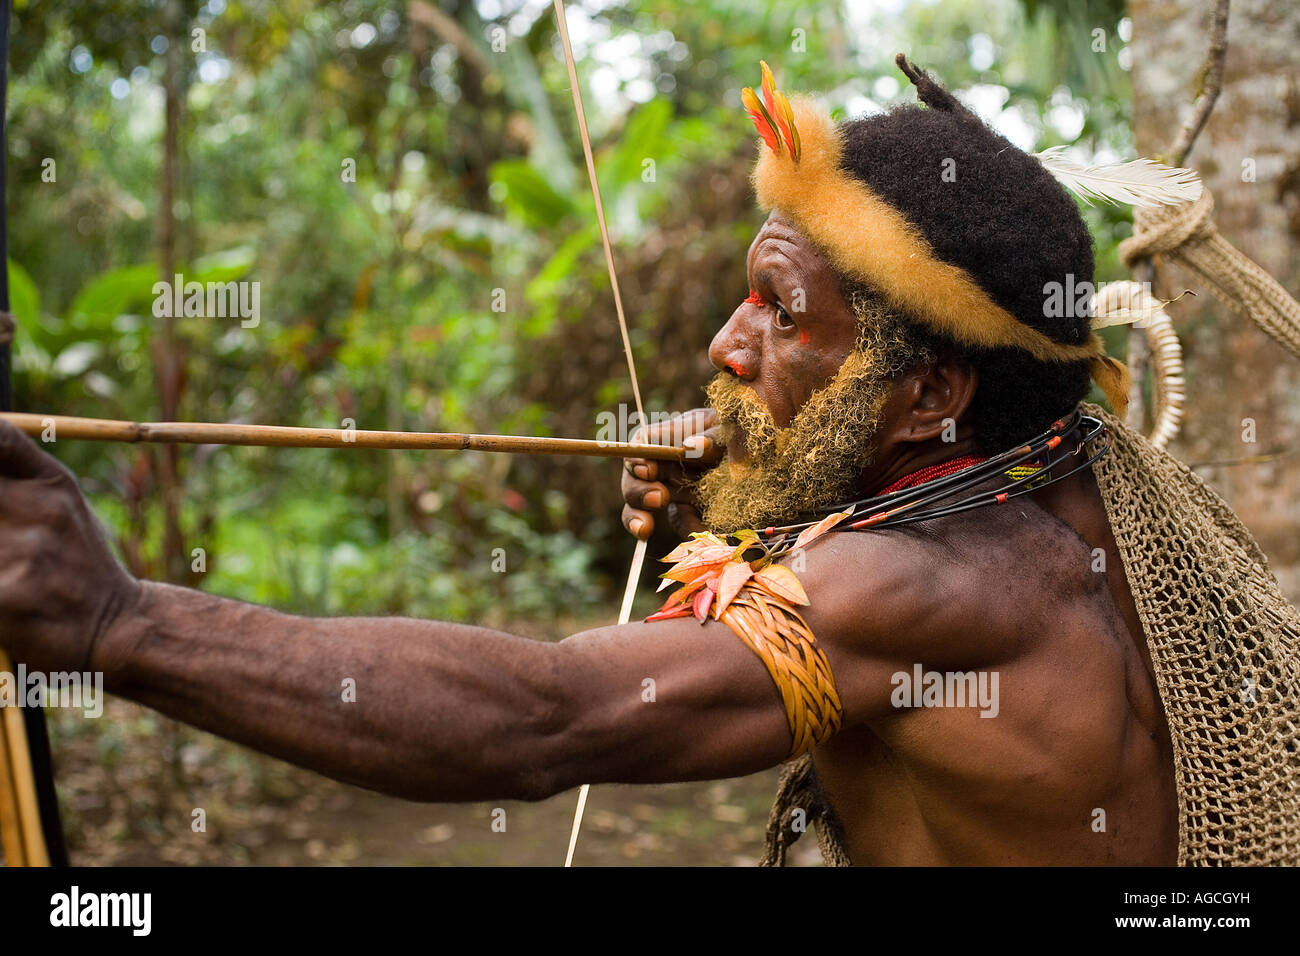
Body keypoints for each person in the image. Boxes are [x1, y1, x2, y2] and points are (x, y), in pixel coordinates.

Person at [1, 58, 1294, 866]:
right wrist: (738, 512)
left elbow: (546, 716)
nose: (725, 349)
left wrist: (118, 622)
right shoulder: (1052, 466)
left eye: (780, 314)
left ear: (931, 391)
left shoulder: (923, 599)